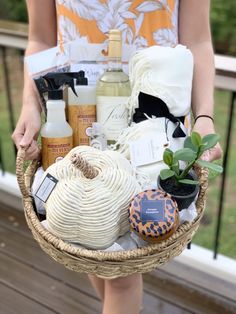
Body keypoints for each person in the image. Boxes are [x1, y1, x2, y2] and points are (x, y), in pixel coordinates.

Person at [12, 1, 222, 313]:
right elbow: (41, 38)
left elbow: (198, 40)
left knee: (122, 276)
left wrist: (204, 114)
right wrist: (31, 103)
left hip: (153, 131)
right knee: (90, 242)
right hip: (78, 119)